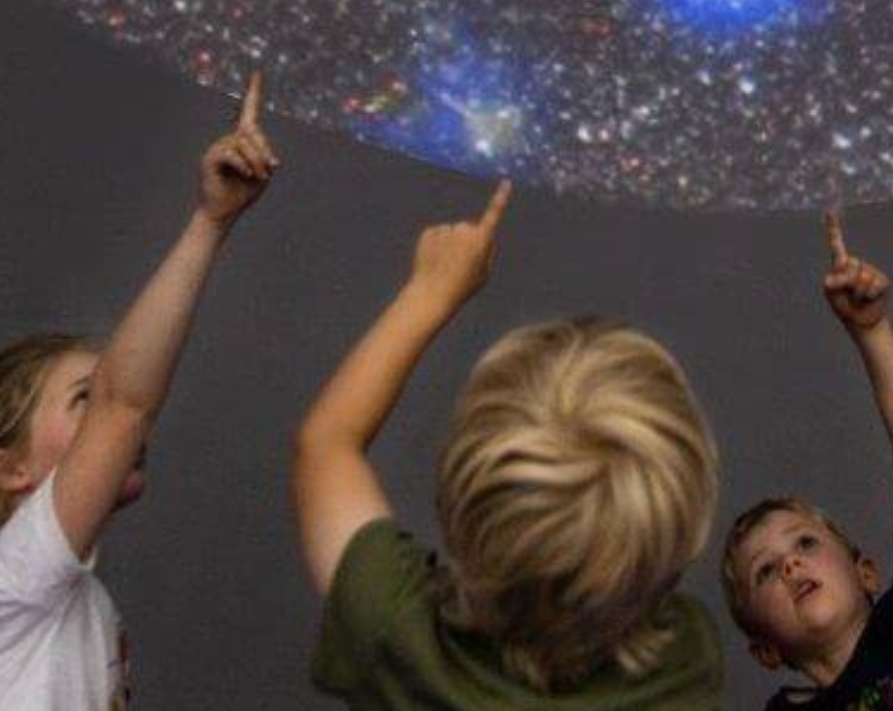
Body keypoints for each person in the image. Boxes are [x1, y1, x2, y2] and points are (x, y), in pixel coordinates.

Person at [293, 183, 723, 709]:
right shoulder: (686, 665)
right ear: (684, 527)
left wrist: (431, 289)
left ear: (457, 500)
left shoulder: (393, 629)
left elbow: (326, 443)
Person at [0, 73, 279, 711]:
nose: (112, 414)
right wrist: (210, 223)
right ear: (9, 468)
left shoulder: (76, 598)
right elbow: (124, 405)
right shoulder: (14, 583)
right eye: (84, 398)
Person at [721, 213, 893, 711]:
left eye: (805, 542)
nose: (790, 563)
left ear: (867, 573)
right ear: (765, 650)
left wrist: (871, 333)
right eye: (764, 572)